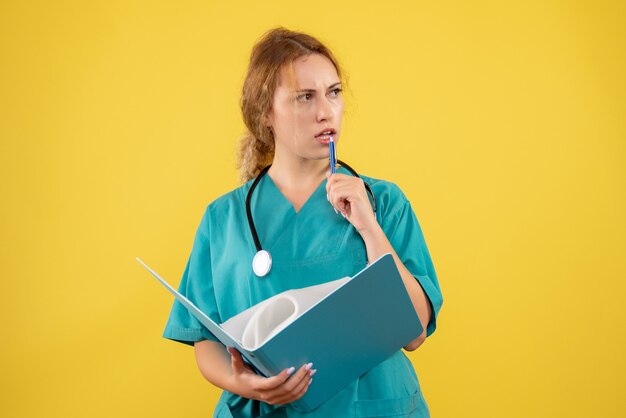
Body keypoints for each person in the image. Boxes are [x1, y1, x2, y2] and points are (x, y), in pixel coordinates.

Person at [163, 27, 443, 418]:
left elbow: (414, 331)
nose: (325, 111)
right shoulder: (222, 220)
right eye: (304, 97)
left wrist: (368, 227)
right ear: (265, 112)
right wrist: (244, 384)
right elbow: (207, 342)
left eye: (334, 92)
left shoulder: (384, 203)